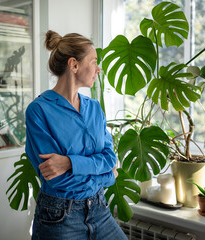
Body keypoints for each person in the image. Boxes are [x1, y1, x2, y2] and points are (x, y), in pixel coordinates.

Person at [25, 30, 128, 240]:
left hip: (99, 209)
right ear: (74, 65)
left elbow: (110, 159)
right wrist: (106, 176)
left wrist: (69, 163)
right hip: (59, 217)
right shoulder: (38, 111)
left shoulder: (94, 109)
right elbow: (56, 179)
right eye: (94, 61)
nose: (98, 69)